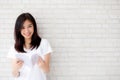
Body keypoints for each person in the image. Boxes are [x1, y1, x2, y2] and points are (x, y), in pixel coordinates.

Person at [7, 13, 52, 80]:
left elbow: (47, 70)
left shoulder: (44, 43)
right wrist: (16, 68)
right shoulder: (14, 48)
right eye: (23, 28)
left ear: (34, 26)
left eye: (30, 26)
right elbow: (15, 75)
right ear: (18, 29)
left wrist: (41, 64)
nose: (27, 31)